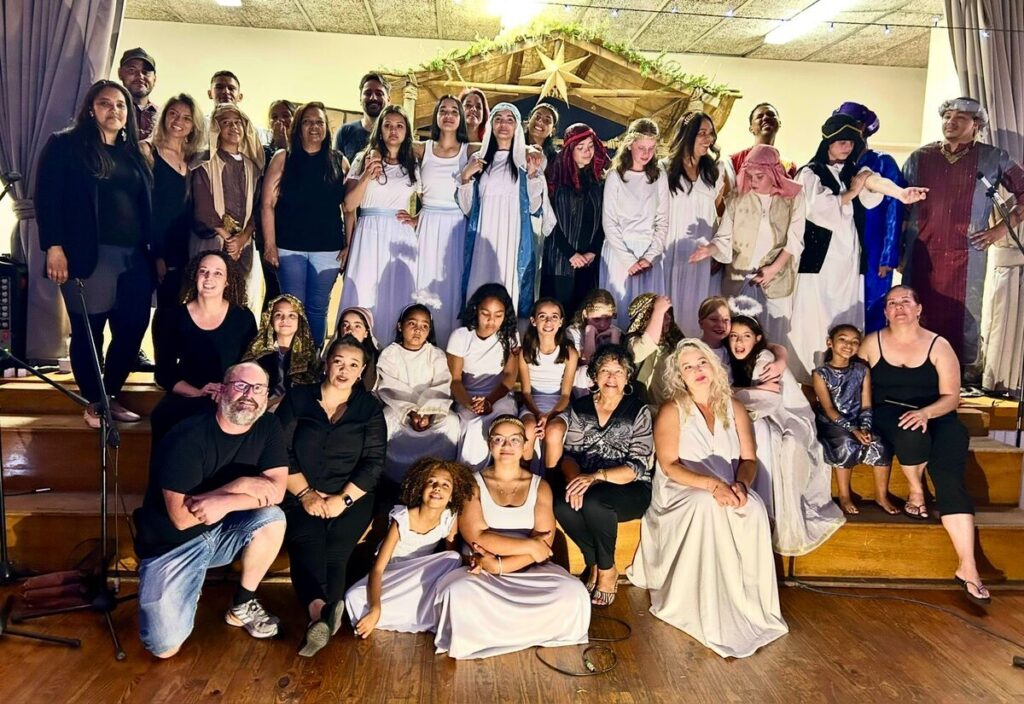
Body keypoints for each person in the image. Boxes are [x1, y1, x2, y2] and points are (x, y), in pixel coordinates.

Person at [627, 339, 788, 659]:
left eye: (701, 363)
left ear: (712, 367)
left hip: (727, 483)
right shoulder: (673, 410)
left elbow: (749, 460)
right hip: (681, 489)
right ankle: (701, 603)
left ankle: (749, 603)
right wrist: (712, 486)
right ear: (679, 376)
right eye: (688, 367)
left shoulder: (735, 407)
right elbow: (670, 465)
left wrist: (741, 485)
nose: (697, 371)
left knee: (753, 508)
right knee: (706, 507)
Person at [133, 362, 288, 658]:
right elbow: (180, 519)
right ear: (222, 390)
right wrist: (237, 487)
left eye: (258, 389)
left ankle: (242, 604)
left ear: (267, 396)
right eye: (241, 385)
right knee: (163, 647)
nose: (249, 395)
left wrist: (227, 499)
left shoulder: (268, 426)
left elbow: (276, 491)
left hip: (220, 530)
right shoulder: (187, 437)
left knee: (272, 519)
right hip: (174, 543)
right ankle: (176, 582)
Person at [860, 285, 990, 604]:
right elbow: (856, 385)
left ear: (919, 309)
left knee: (948, 476)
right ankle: (916, 490)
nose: (899, 307)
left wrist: (926, 412)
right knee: (910, 432)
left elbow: (952, 397)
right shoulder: (872, 343)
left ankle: (968, 568)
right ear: (886, 312)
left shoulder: (938, 344)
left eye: (906, 301)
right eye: (892, 303)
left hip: (937, 413)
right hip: (889, 411)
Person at [36, 80, 154, 428]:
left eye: (120, 105)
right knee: (90, 332)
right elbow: (48, 198)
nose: (114, 110)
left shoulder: (135, 153)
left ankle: (109, 394)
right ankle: (95, 401)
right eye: (105, 104)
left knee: (133, 327)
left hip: (133, 257)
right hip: (87, 256)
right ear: (91, 108)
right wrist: (53, 248)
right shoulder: (66, 145)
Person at [433, 415, 591, 660]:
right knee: (458, 592)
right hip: (480, 570)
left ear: (525, 446)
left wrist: (501, 566)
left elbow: (544, 542)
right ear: (489, 444)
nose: (506, 446)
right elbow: (478, 537)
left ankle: (516, 632)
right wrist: (527, 546)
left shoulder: (541, 486)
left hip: (526, 569)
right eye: (499, 439)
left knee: (573, 592)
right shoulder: (471, 483)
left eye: (514, 440)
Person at [788, 113, 927, 382]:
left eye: (851, 143)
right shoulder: (809, 172)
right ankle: (808, 378)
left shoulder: (856, 171)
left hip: (848, 256)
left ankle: (843, 378)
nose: (847, 148)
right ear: (828, 142)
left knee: (845, 311)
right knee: (815, 315)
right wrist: (850, 193)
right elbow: (817, 210)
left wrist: (900, 193)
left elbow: (875, 182)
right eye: (842, 142)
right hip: (819, 259)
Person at [276, 334, 388, 656]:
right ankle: (324, 614)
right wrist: (307, 494)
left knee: (337, 551)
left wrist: (343, 499)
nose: (344, 369)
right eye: (338, 361)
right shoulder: (298, 399)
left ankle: (319, 617)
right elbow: (280, 451)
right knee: (305, 544)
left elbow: (373, 462)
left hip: (351, 496)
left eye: (353, 364)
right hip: (298, 492)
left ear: (362, 369)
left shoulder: (369, 409)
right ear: (327, 363)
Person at [903, 97, 1024, 384]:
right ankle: (911, 375)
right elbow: (900, 208)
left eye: (959, 118)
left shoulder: (993, 158)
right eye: (947, 117)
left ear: (977, 125)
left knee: (962, 318)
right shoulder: (920, 157)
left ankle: (961, 381)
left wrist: (999, 231)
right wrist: (896, 254)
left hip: (967, 254)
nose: (950, 123)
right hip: (921, 253)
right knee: (916, 312)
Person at [726, 308, 845, 554]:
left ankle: (771, 514)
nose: (739, 342)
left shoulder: (764, 359)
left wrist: (729, 392)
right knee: (760, 431)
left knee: (780, 439)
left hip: (790, 416)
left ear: (757, 338)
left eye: (746, 336)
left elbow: (768, 398)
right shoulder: (733, 360)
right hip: (764, 415)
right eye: (734, 336)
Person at [545, 343, 653, 607]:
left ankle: (606, 569)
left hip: (630, 486)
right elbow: (570, 455)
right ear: (594, 376)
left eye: (618, 371)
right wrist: (574, 481)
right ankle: (592, 559)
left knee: (595, 502)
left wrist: (595, 477)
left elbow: (637, 466)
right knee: (562, 504)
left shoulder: (638, 410)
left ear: (628, 377)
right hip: (588, 481)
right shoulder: (580, 408)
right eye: (605, 370)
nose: (611, 378)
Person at [345, 458, 474, 639]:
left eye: (445, 485)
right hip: (394, 574)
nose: (437, 487)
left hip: (421, 577)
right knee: (353, 598)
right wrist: (375, 608)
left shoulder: (449, 518)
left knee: (452, 558)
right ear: (421, 487)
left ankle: (428, 612)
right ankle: (397, 614)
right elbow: (378, 569)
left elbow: (450, 562)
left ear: (452, 495)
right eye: (431, 482)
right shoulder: (402, 519)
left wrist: (472, 561)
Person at [260, 101, 347, 346]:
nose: (314, 127)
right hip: (289, 248)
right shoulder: (283, 158)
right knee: (292, 309)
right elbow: (267, 204)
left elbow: (349, 208)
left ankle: (313, 365)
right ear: (298, 127)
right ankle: (289, 365)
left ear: (326, 128)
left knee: (317, 309)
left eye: (319, 121)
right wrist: (269, 244)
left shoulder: (339, 161)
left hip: (328, 249)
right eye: (307, 121)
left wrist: (350, 244)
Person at [151, 251, 257, 447]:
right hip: (188, 393)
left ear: (227, 281)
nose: (209, 277)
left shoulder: (243, 318)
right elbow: (164, 374)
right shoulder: (171, 317)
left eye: (218, 273)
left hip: (231, 395)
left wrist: (228, 392)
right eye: (204, 271)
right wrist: (198, 392)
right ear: (195, 276)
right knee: (163, 417)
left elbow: (250, 366)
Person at [340, 105, 421, 345]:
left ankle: (393, 352)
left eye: (399, 126)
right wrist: (366, 175)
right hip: (369, 232)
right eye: (387, 126)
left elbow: (431, 198)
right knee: (363, 294)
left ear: (406, 131)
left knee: (397, 296)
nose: (393, 131)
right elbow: (348, 205)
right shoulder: (363, 159)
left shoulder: (413, 164)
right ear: (379, 130)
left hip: (400, 236)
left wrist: (417, 219)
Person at [459, 102, 549, 318]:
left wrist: (534, 176)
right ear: (490, 124)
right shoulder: (478, 160)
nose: (504, 125)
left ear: (518, 126)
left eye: (510, 120)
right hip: (484, 239)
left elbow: (536, 207)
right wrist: (465, 177)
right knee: (479, 288)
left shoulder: (526, 162)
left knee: (510, 291)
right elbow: (468, 208)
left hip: (513, 239)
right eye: (498, 119)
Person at [718, 144, 804, 347]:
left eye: (760, 176)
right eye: (750, 175)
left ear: (773, 173)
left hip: (776, 278)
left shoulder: (794, 197)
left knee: (772, 338)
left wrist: (773, 269)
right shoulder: (739, 198)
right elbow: (724, 238)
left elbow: (795, 238)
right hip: (740, 275)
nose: (754, 181)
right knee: (739, 337)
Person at [832, 102, 906, 334]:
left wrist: (888, 254)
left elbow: (895, 209)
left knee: (873, 303)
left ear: (863, 127)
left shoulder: (883, 162)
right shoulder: (839, 164)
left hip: (874, 245)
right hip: (844, 245)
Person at [811, 324, 897, 515]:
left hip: (858, 420)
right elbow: (829, 409)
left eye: (855, 341)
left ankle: (881, 496)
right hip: (832, 422)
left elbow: (866, 404)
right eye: (843, 339)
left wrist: (865, 427)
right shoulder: (820, 374)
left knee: (879, 443)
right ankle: (844, 495)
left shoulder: (862, 370)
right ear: (830, 343)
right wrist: (853, 430)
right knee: (846, 444)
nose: (849, 345)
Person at [193, 102, 266, 320]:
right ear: (216, 129)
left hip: (243, 247)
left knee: (239, 302)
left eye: (237, 123)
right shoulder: (204, 163)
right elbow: (202, 206)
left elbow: (256, 210)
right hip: (212, 242)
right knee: (207, 299)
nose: (233, 127)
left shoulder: (252, 167)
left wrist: (242, 239)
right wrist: (228, 239)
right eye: (226, 123)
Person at [376, 304, 461, 486]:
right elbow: (390, 386)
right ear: (400, 326)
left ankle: (440, 474)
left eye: (424, 326)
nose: (418, 330)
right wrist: (412, 411)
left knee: (452, 423)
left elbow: (442, 383)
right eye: (412, 324)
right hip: (401, 410)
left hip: (432, 410)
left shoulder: (436, 354)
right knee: (386, 419)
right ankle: (393, 476)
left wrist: (428, 412)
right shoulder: (390, 354)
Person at [663, 111, 729, 336]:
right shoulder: (664, 169)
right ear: (687, 135)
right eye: (702, 133)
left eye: (711, 134)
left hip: (701, 255)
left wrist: (717, 248)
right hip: (669, 252)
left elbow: (722, 214)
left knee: (695, 312)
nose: (708, 139)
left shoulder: (715, 171)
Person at [600, 118, 669, 330]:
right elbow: (609, 222)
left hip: (649, 254)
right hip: (620, 253)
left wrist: (649, 257)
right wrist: (629, 260)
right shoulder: (615, 176)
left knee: (647, 313)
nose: (646, 153)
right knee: (619, 309)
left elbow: (663, 221)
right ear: (630, 144)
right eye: (641, 147)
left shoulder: (659, 176)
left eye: (651, 148)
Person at [143, 94, 208, 321]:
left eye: (186, 118)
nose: (178, 121)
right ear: (163, 117)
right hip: (154, 247)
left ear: (194, 126)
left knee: (178, 313)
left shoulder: (194, 160)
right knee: (153, 315)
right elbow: (146, 208)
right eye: (173, 113)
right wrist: (157, 254)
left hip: (185, 248)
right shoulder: (148, 152)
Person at [414, 96, 472, 346]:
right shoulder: (420, 148)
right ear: (436, 116)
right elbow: (388, 144)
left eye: (454, 111)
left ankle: (449, 348)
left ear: (460, 118)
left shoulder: (469, 149)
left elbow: (502, 145)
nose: (448, 115)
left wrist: (532, 150)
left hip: (456, 226)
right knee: (422, 284)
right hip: (426, 224)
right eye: (443, 111)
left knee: (451, 287)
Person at [447, 284, 519, 469]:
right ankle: (467, 476)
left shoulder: (510, 337)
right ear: (476, 310)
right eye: (485, 314)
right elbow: (455, 380)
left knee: (499, 427)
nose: (491, 321)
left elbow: (510, 376)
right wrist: (469, 403)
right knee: (472, 426)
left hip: (499, 396)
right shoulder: (461, 336)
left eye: (498, 315)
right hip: (467, 395)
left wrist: (490, 401)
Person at [541, 123, 608, 319]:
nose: (587, 152)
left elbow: (603, 220)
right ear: (570, 149)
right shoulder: (555, 177)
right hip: (559, 261)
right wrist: (571, 254)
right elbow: (549, 220)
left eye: (590, 146)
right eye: (581, 148)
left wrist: (592, 251)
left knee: (584, 317)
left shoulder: (598, 181)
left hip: (589, 262)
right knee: (558, 314)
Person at [518, 298, 578, 464]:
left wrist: (549, 416)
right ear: (533, 321)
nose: (548, 321)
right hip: (532, 406)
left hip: (558, 407)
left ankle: (552, 481)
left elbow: (565, 395)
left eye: (554, 316)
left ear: (561, 322)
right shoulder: (525, 352)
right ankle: (525, 475)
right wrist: (538, 414)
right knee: (528, 429)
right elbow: (526, 392)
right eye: (543, 316)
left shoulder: (569, 353)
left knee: (554, 431)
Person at [242, 294, 319, 411]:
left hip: (294, 412)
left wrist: (274, 402)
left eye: (292, 315)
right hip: (256, 410)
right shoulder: (257, 351)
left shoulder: (308, 354)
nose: (284, 320)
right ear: (270, 320)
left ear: (300, 320)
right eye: (278, 315)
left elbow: (308, 390)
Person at [626, 293, 683, 407]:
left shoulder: (675, 343)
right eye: (662, 314)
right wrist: (658, 311)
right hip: (643, 412)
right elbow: (645, 346)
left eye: (668, 313)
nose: (668, 318)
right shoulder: (632, 341)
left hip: (672, 411)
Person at [566, 289, 622, 395]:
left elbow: (614, 364)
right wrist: (589, 332)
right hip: (582, 386)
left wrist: (614, 337)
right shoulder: (573, 331)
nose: (602, 324)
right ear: (585, 314)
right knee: (584, 371)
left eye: (608, 319)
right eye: (596, 319)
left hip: (607, 382)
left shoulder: (615, 331)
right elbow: (587, 361)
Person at [334, 72, 391, 164]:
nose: (373, 98)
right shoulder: (345, 132)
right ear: (360, 99)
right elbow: (335, 171)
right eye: (368, 93)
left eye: (379, 93)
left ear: (388, 100)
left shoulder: (395, 135)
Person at [730, 102, 797, 178]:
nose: (766, 118)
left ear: (779, 123)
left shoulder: (788, 166)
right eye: (759, 116)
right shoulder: (735, 160)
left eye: (771, 115)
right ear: (751, 128)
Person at [207, 70, 272, 145]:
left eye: (231, 88)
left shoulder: (255, 132)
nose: (226, 91)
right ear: (210, 94)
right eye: (219, 87)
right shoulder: (200, 126)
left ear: (240, 97)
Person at [325, 306, 380, 390]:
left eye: (357, 326)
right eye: (345, 325)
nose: (350, 330)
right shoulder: (330, 354)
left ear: (366, 332)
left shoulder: (378, 360)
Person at [117, 48, 159, 140]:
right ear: (120, 73)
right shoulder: (112, 111)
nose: (140, 76)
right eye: (132, 70)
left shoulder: (163, 117)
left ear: (154, 79)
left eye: (146, 72)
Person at [264, 99, 296, 165]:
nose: (280, 120)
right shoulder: (263, 152)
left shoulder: (304, 149)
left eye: (285, 115)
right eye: (274, 117)